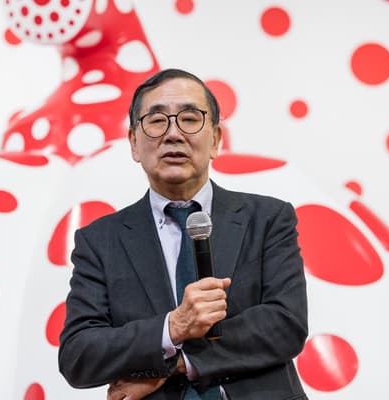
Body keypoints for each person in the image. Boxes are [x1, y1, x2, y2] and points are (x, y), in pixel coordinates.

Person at [59, 68, 309, 400]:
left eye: (190, 119)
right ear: (134, 143)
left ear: (215, 140)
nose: (173, 134)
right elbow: (78, 355)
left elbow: (285, 324)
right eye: (157, 121)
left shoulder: (267, 219)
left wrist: (175, 364)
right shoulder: (99, 241)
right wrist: (173, 326)